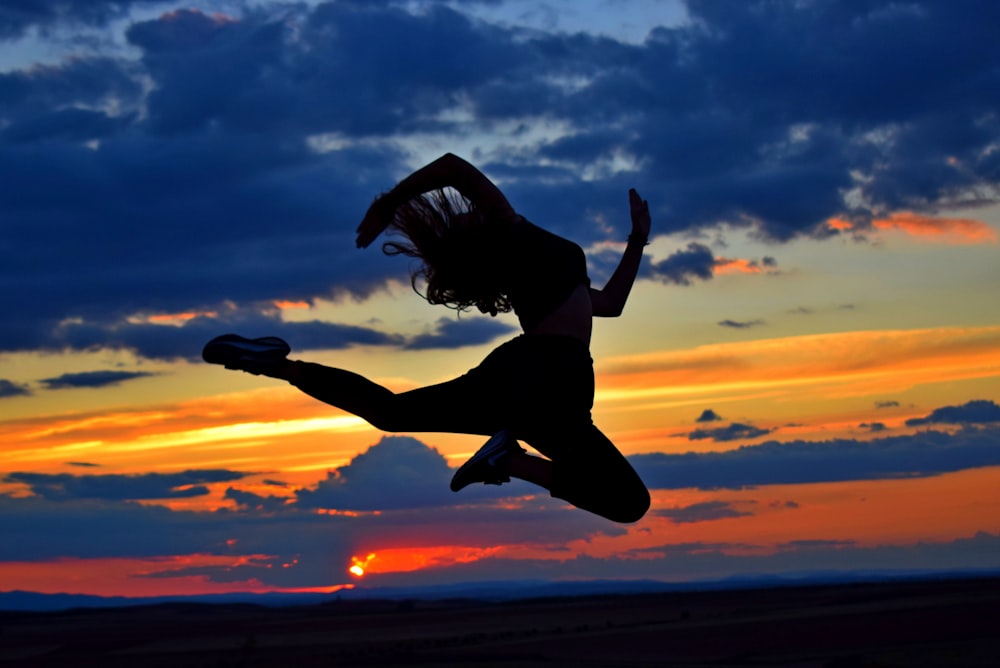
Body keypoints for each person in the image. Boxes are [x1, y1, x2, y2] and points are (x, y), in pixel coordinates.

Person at [204, 153, 651, 523]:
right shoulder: (511, 231)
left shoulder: (539, 264)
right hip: (547, 379)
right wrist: (391, 202)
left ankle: (276, 365)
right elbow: (454, 169)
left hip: (544, 388)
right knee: (625, 500)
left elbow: (610, 303)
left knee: (392, 413)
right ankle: (505, 460)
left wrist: (637, 239)